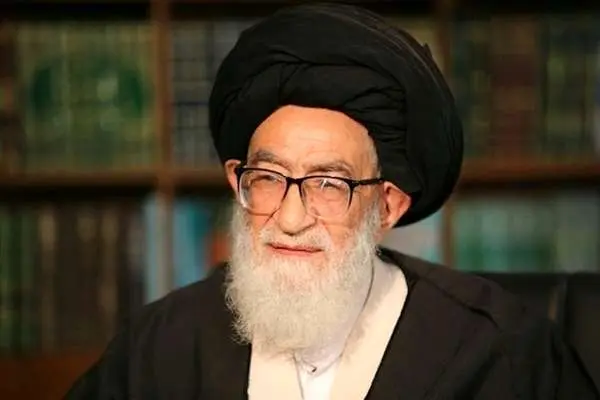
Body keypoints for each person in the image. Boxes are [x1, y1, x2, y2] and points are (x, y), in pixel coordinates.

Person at [66, 3, 599, 399]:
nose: (290, 218)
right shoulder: (163, 345)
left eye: (328, 183)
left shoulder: (500, 350)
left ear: (387, 206)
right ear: (236, 180)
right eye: (269, 178)